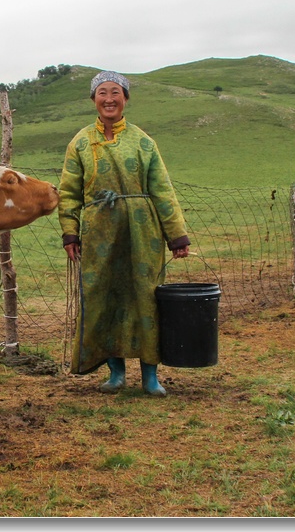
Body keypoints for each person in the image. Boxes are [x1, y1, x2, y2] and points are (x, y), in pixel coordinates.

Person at [59, 70, 190, 396]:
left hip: (141, 232)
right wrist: (70, 232)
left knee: (145, 296)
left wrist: (176, 235)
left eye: (115, 92)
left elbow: (162, 190)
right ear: (93, 99)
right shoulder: (80, 142)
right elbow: (68, 192)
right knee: (103, 296)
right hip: (99, 232)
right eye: (102, 92)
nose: (109, 99)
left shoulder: (144, 142)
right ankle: (115, 373)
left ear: (125, 98)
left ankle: (150, 375)